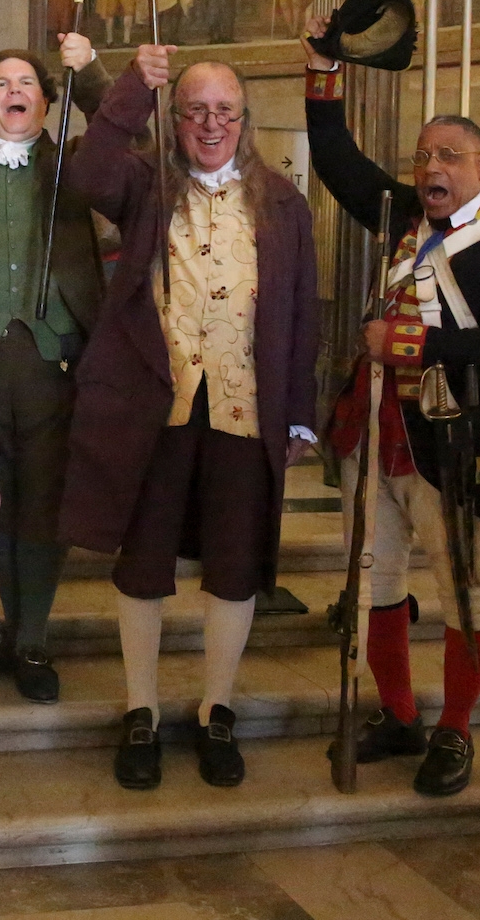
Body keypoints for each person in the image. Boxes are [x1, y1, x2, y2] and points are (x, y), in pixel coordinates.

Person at [304, 17, 480, 797]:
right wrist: (322, 74)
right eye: (422, 156)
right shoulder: (401, 215)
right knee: (378, 582)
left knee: (466, 589)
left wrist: (417, 346)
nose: (430, 167)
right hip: (374, 434)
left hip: (457, 441)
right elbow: (339, 161)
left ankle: (455, 730)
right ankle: (399, 712)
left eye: (447, 155)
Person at [60, 45, 321, 791]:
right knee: (143, 562)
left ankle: (216, 708)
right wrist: (130, 94)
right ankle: (139, 709)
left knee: (236, 566)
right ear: (176, 120)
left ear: (245, 119)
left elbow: (301, 313)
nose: (212, 124)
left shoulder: (282, 202)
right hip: (157, 407)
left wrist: (298, 414)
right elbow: (88, 172)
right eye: (196, 110)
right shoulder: (149, 182)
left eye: (225, 112)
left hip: (245, 411)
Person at [0, 36, 108, 703]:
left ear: (46, 98)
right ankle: (3, 628)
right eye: (2, 82)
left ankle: (31, 636)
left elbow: (136, 137)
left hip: (52, 364)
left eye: (30, 83)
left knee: (41, 503)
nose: (16, 91)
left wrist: (88, 69)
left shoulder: (75, 167)